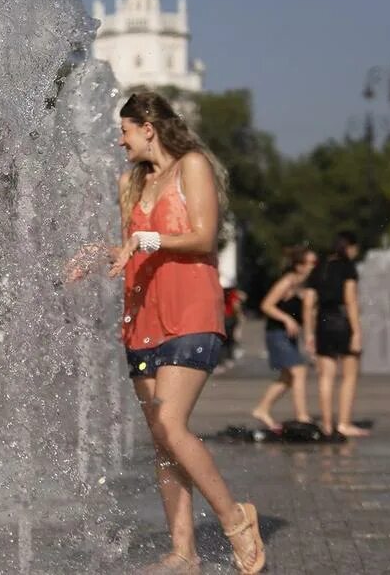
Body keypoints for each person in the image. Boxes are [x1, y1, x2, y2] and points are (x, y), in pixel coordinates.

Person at [103, 92, 265, 574]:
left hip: (192, 311)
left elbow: (203, 235)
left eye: (125, 130)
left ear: (148, 127)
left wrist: (144, 239)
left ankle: (236, 519)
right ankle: (183, 553)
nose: (121, 139)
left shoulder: (192, 166)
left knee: (173, 426)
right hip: (143, 318)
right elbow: (129, 250)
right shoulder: (129, 183)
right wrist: (99, 255)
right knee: (161, 440)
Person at [303, 231, 368, 439]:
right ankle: (344, 423)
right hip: (342, 321)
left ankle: (327, 425)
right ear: (350, 247)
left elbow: (308, 302)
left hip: (323, 321)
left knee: (326, 377)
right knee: (349, 376)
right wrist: (357, 332)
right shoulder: (347, 266)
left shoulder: (319, 267)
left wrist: (309, 333)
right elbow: (350, 299)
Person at [251, 246, 317, 429]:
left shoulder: (305, 287)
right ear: (299, 266)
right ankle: (302, 417)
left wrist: (309, 338)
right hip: (277, 333)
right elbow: (266, 305)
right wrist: (286, 318)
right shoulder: (287, 282)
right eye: (312, 262)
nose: (314, 266)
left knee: (288, 378)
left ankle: (262, 409)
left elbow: (307, 316)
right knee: (299, 371)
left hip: (290, 336)